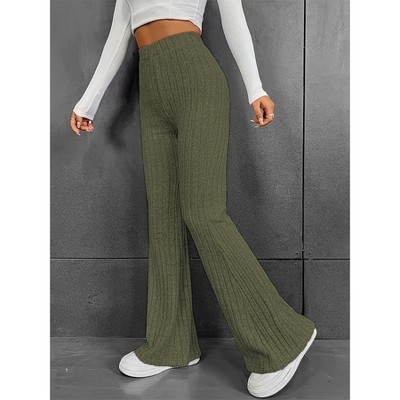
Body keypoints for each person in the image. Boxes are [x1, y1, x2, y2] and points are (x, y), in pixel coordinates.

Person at [69, 0, 317, 397]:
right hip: (152, 83)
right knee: (164, 217)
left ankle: (282, 339)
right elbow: (120, 33)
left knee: (203, 213)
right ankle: (171, 345)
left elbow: (233, 17)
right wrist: (89, 101)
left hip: (196, 77)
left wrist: (256, 88)